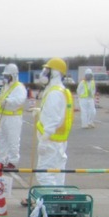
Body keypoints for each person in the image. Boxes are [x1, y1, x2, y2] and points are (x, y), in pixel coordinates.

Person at [34, 58, 74, 186]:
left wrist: (44, 141)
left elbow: (53, 120)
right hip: (59, 142)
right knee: (57, 175)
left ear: (55, 72)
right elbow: (58, 114)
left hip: (51, 142)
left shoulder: (55, 93)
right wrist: (40, 111)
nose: (44, 73)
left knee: (44, 175)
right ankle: (58, 200)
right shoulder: (61, 90)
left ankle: (51, 203)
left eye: (47, 70)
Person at [0, 63, 27, 169]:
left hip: (13, 118)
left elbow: (20, 100)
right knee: (2, 139)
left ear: (13, 76)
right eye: (5, 76)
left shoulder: (19, 87)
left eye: (7, 76)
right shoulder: (5, 87)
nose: (5, 78)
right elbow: (1, 102)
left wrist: (8, 101)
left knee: (13, 140)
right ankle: (0, 160)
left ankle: (13, 161)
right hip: (4, 117)